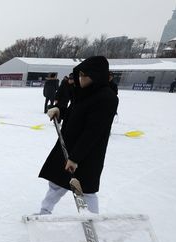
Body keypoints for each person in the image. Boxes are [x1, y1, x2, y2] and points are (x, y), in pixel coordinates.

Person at [36, 56, 118, 215]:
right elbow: (76, 115)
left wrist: (75, 158)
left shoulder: (107, 98)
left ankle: (92, 221)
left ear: (96, 76)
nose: (81, 79)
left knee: (85, 189)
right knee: (56, 183)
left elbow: (93, 131)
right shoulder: (83, 93)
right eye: (79, 75)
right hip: (67, 145)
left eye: (84, 75)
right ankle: (44, 211)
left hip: (87, 152)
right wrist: (60, 111)